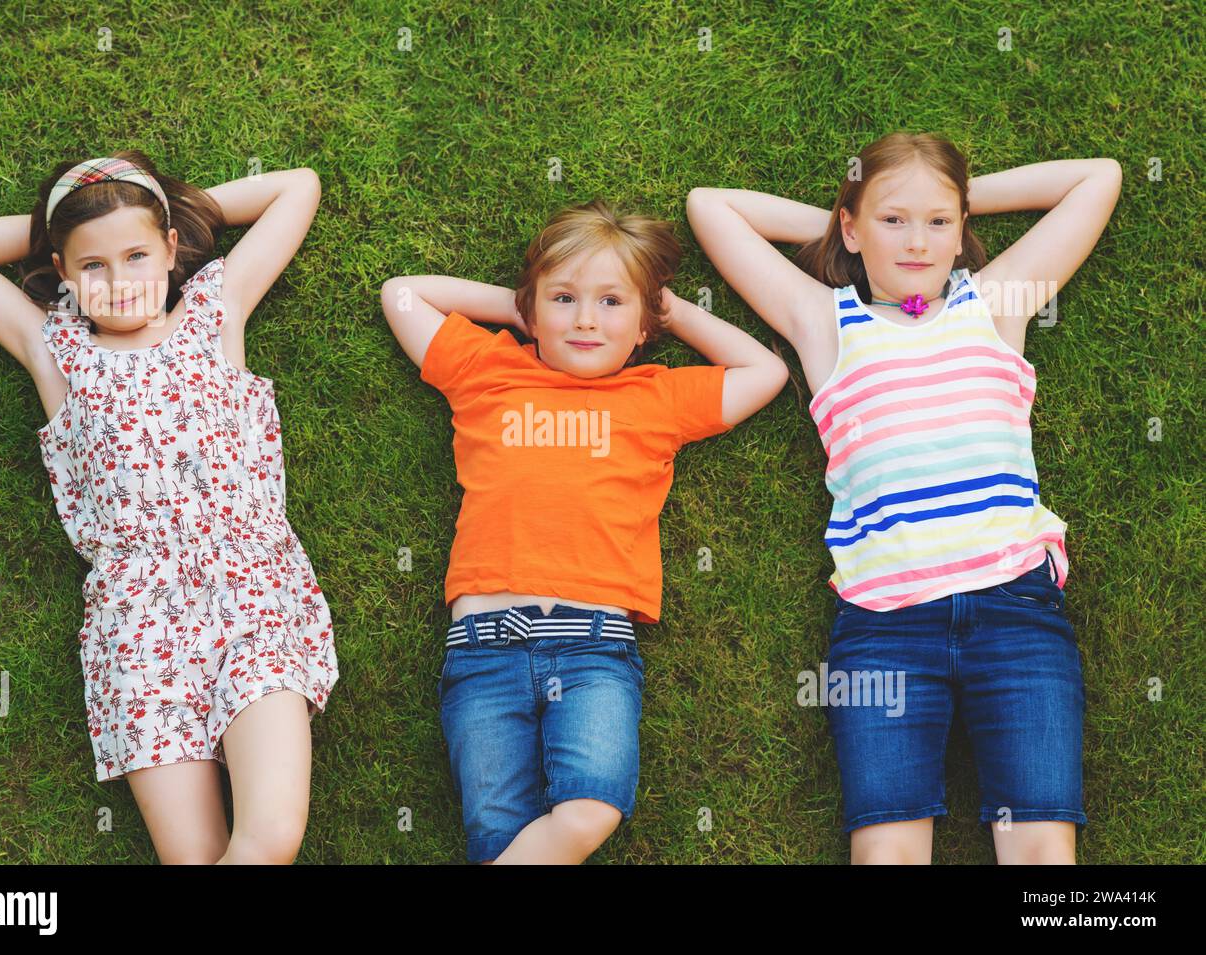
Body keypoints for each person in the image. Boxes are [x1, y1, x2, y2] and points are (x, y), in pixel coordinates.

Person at [688, 133, 1121, 863]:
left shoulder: (995, 302)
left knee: (1045, 848)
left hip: (1016, 610)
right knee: (885, 852)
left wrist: (942, 198)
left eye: (939, 222)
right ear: (852, 228)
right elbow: (711, 206)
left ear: (962, 227)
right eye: (893, 221)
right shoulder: (824, 322)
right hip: (885, 629)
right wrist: (849, 219)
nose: (917, 242)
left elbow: (1098, 178)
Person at [0, 151, 338, 864]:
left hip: (250, 591)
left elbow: (297, 185)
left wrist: (149, 199)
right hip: (137, 619)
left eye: (138, 253)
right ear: (59, 269)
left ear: (172, 247)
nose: (118, 284)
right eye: (91, 266)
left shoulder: (218, 305)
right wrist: (75, 220)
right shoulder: (54, 347)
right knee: (195, 855)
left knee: (270, 835)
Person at [381, 199, 788, 862]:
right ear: (533, 310)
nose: (586, 319)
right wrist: (521, 307)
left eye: (611, 302)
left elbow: (765, 372)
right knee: (496, 833)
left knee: (591, 806)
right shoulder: (488, 370)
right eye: (564, 299)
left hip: (593, 649)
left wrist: (670, 309)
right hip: (485, 647)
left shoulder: (655, 396)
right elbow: (401, 294)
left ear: (643, 324)